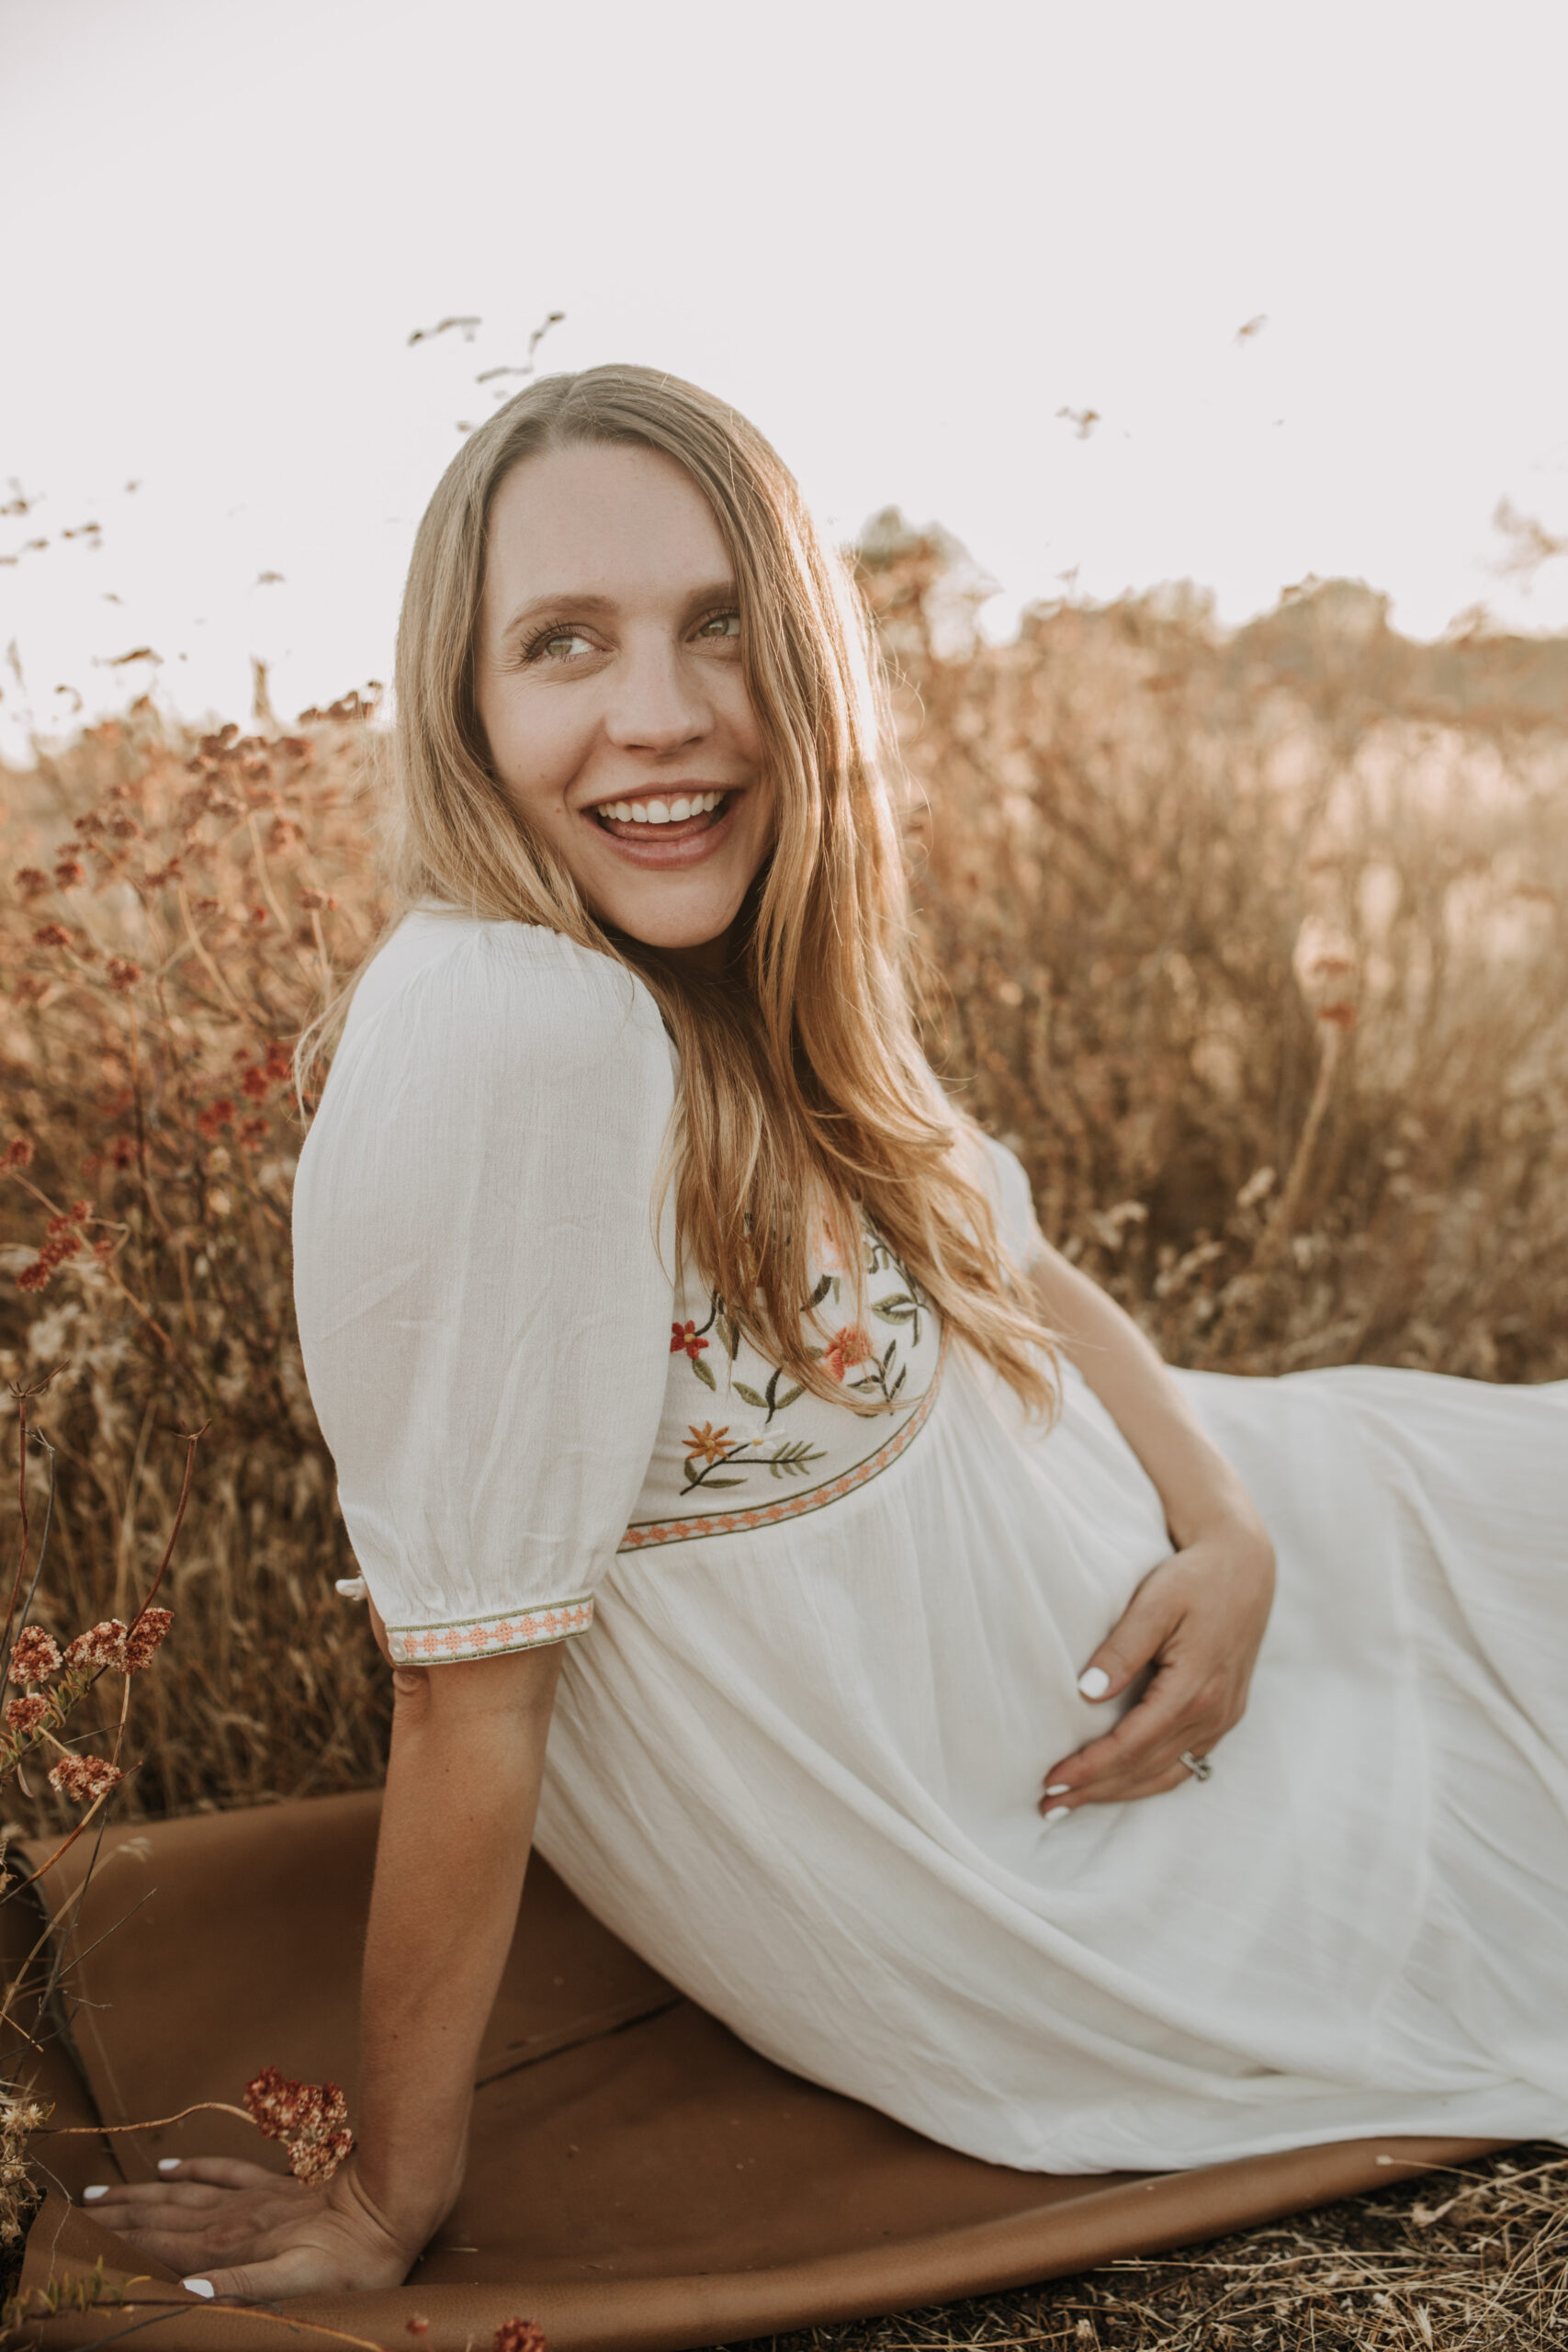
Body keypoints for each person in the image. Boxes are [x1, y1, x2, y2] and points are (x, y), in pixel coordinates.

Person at [90, 367, 1567, 2301]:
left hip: (1208, 1536)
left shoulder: (746, 953)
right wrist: (389, 2196)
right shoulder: (511, 1032)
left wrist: (1225, 1524)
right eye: (563, 642)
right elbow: (469, 1675)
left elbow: (1009, 1265)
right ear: (465, 710)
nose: (662, 710)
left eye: (721, 624)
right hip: (1081, 1842)